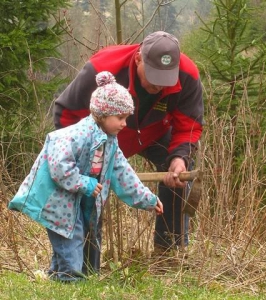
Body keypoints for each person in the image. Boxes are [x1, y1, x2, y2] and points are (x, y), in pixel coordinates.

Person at [53, 31, 203, 256]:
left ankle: (169, 250)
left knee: (179, 172)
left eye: (165, 80)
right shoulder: (102, 68)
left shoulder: (187, 74)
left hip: (154, 132)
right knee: (87, 187)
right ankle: (81, 257)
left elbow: (188, 126)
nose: (158, 86)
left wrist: (180, 158)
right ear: (138, 58)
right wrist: (79, 155)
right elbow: (66, 112)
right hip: (103, 138)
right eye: (153, 77)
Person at [8, 71, 163, 282]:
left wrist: (148, 199)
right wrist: (85, 183)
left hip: (73, 202)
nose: (124, 124)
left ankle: (57, 277)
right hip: (56, 200)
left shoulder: (110, 142)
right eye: (120, 118)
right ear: (102, 114)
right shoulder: (76, 135)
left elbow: (124, 174)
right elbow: (58, 166)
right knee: (71, 238)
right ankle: (71, 281)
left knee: (73, 237)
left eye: (126, 117)